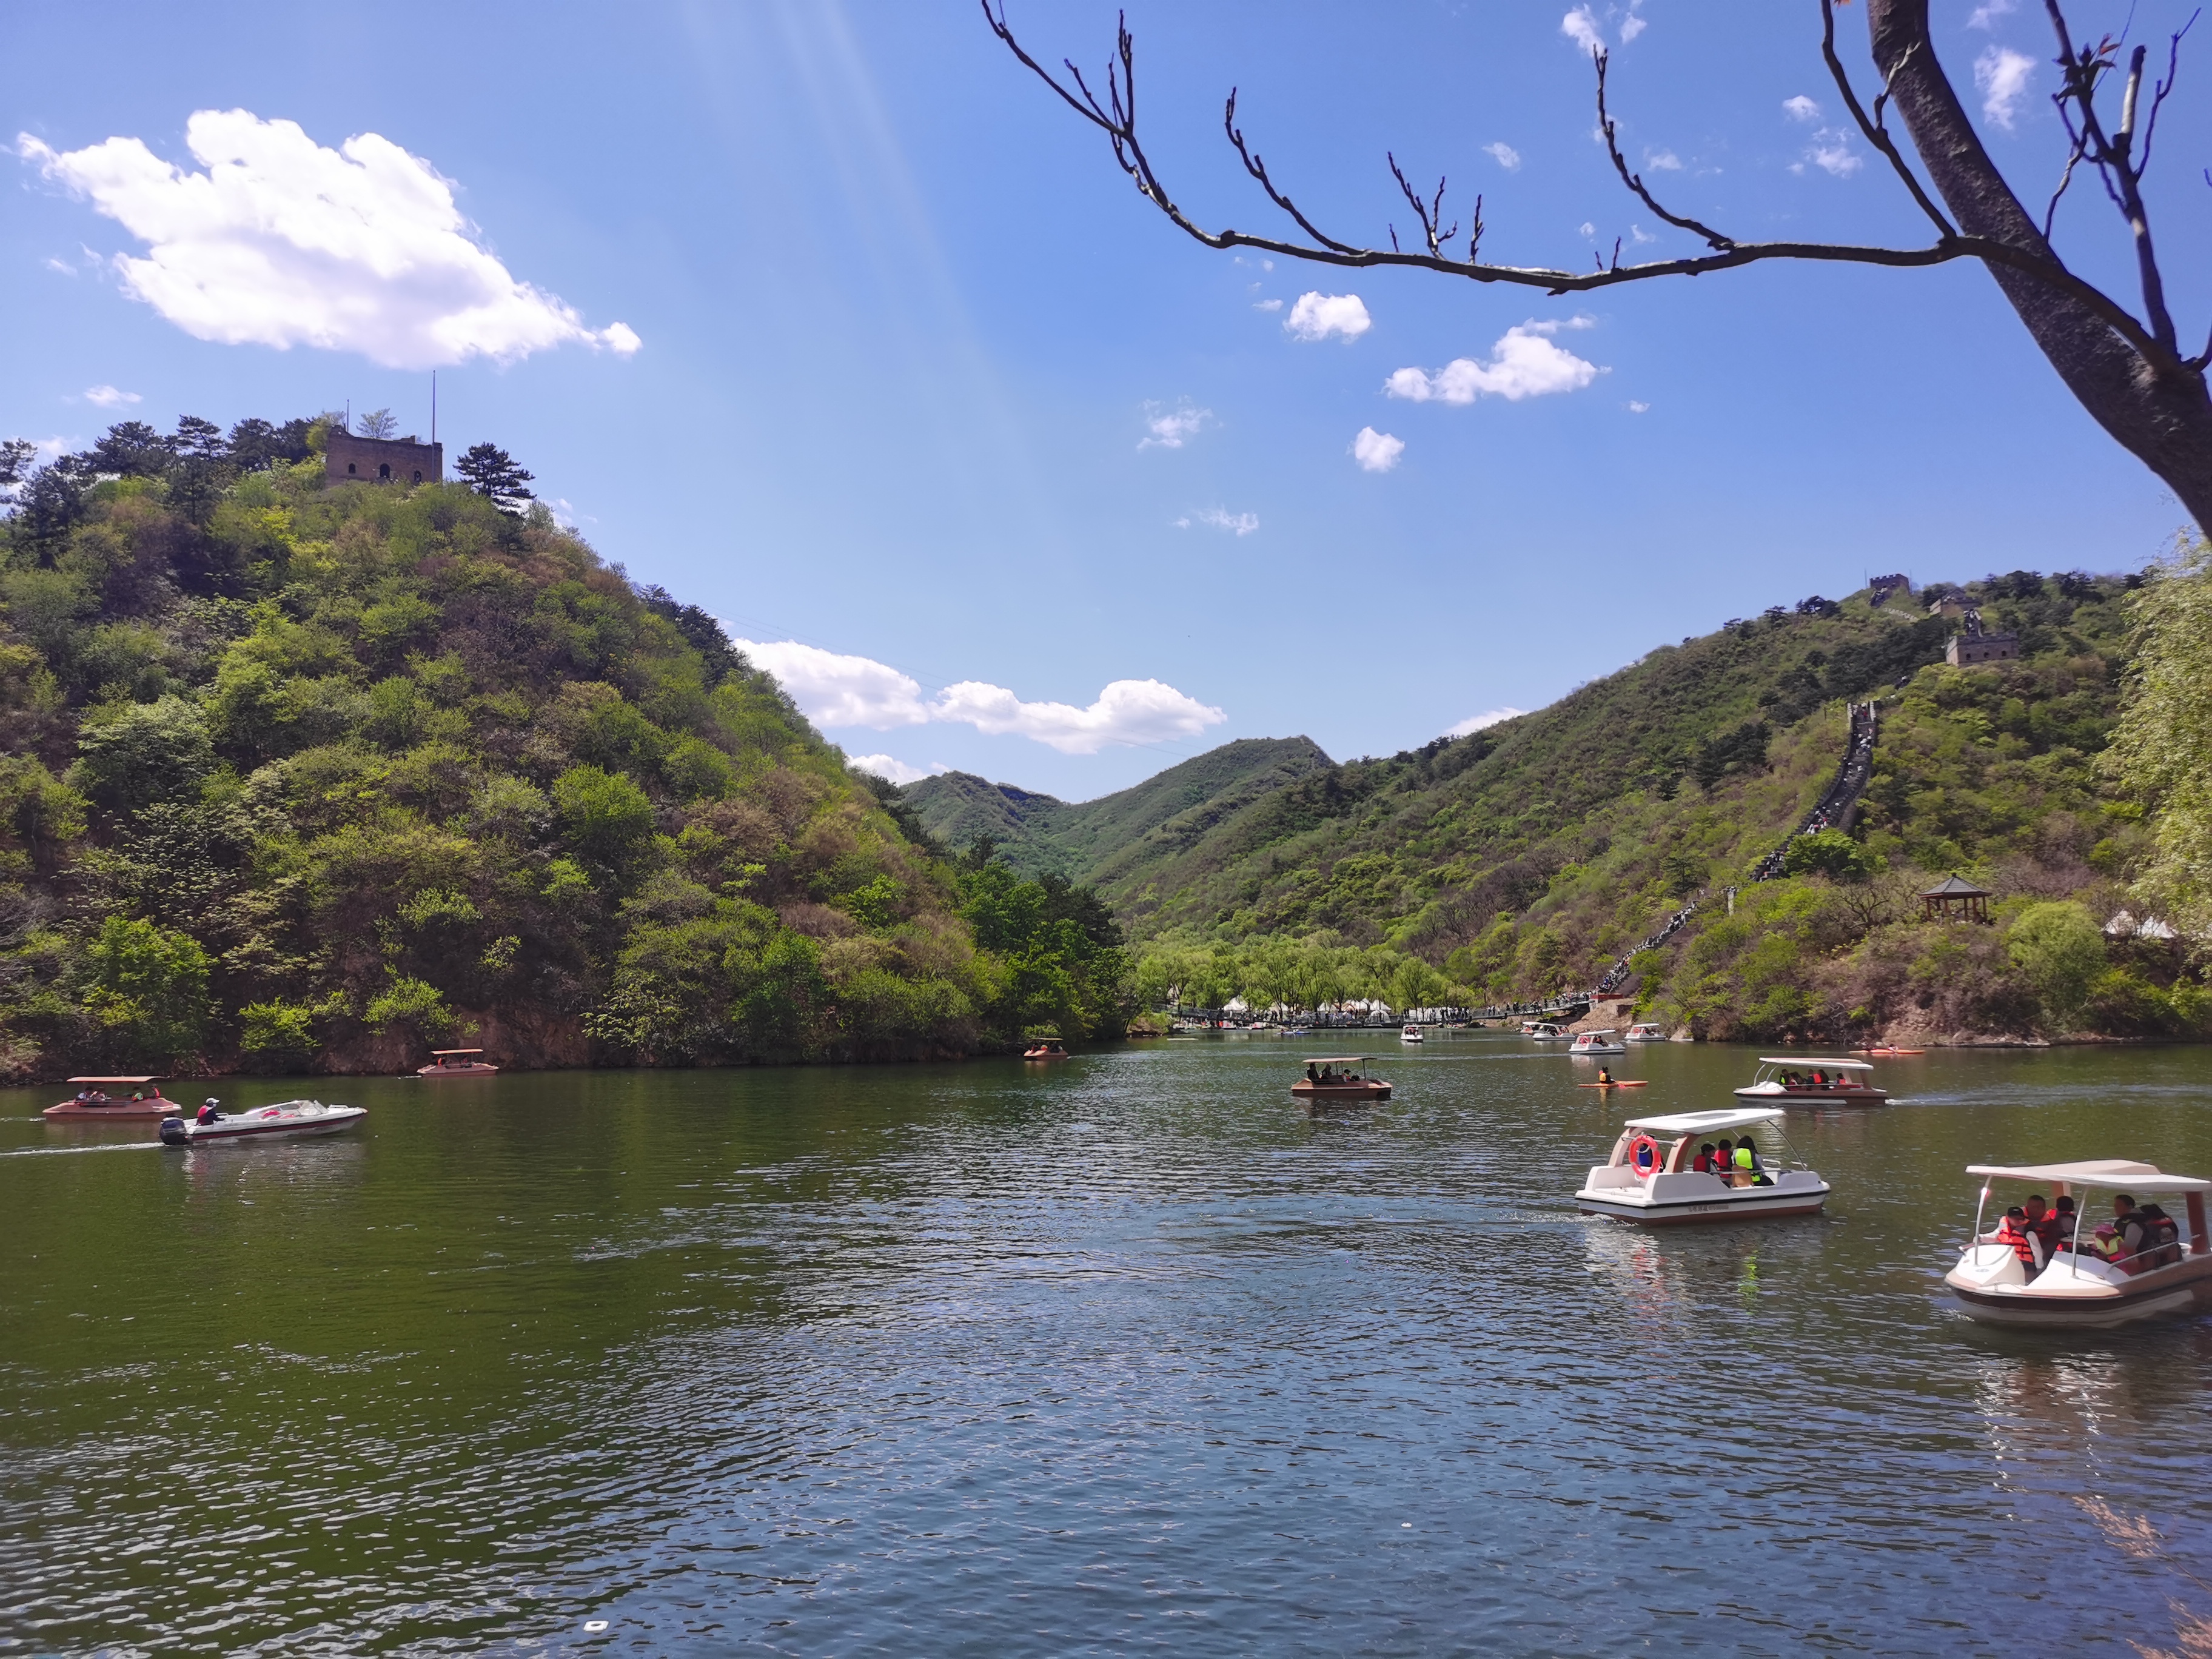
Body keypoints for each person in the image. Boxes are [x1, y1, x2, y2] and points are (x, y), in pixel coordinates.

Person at [1995, 1205, 2043, 1276]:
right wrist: (1981, 1238)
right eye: (2015, 1218)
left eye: (2021, 1219)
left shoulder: (2029, 1232)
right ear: (2008, 1217)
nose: (2018, 1221)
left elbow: (2037, 1251)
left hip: (2026, 1264)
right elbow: (1995, 1236)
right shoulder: (2003, 1227)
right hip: (2009, 1262)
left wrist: (2040, 1268)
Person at [2023, 1195, 2065, 1259]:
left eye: (2038, 1207)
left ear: (2044, 1208)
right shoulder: (2016, 1219)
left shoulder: (2052, 1225)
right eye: (2031, 1207)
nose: (2034, 1210)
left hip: (2042, 1256)